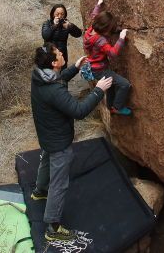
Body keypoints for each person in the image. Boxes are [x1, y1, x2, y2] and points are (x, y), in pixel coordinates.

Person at [30, 43, 113, 242]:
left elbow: (58, 81)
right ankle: (53, 227)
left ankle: (39, 192)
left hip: (47, 135)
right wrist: (98, 91)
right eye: (58, 53)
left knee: (46, 160)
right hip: (59, 141)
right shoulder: (54, 90)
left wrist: (74, 68)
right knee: (59, 183)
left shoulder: (40, 76)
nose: (61, 53)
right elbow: (79, 111)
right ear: (54, 63)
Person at [83, 0, 133, 116]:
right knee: (125, 84)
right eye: (110, 29)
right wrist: (121, 38)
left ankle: (110, 105)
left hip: (93, 67)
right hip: (99, 70)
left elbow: (94, 15)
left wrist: (99, 4)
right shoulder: (100, 40)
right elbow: (112, 53)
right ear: (105, 30)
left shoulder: (91, 29)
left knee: (110, 85)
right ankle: (117, 107)